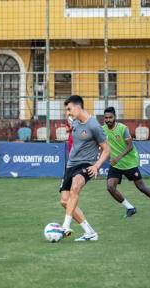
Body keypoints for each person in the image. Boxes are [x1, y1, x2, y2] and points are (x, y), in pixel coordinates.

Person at [59, 95, 110, 241]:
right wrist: (70, 130)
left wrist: (97, 165)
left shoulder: (94, 125)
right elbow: (75, 132)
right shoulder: (74, 122)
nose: (67, 113)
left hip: (86, 164)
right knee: (64, 201)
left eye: (69, 109)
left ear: (78, 107)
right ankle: (90, 232)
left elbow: (106, 149)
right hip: (71, 164)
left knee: (76, 186)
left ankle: (65, 226)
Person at [103, 106, 150, 217]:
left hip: (129, 163)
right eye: (106, 118)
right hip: (116, 165)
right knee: (110, 187)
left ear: (115, 117)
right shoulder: (103, 129)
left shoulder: (123, 129)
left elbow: (130, 146)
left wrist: (118, 158)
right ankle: (130, 208)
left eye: (110, 117)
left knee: (141, 187)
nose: (108, 120)